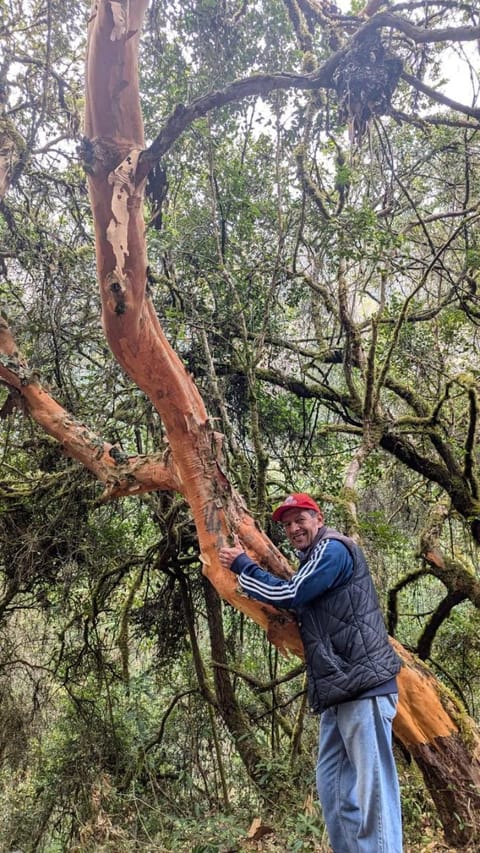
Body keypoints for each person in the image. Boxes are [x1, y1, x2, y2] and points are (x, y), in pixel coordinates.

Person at [219, 492, 402, 853]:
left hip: (364, 685)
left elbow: (292, 593)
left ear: (318, 518)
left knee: (373, 790)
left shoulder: (333, 549)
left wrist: (243, 566)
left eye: (299, 519)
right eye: (286, 524)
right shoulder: (312, 558)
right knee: (332, 785)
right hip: (336, 690)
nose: (293, 528)